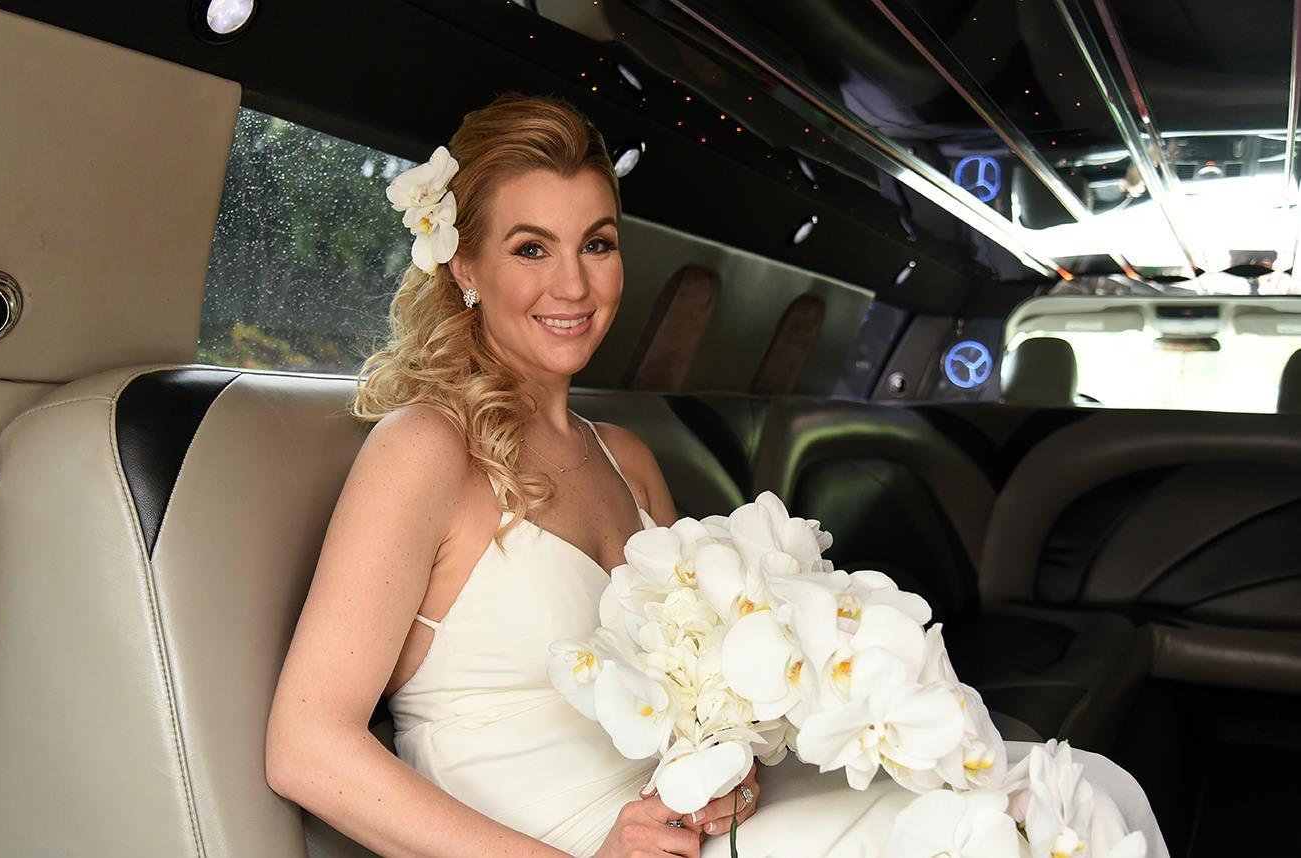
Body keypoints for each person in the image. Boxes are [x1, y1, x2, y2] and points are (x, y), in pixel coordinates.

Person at [265, 93, 1168, 858]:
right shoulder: (425, 449)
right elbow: (306, 748)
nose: (573, 286)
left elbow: (697, 707)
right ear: (465, 263)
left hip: (682, 830)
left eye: (597, 244)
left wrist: (730, 770)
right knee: (999, 831)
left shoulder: (625, 458)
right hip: (554, 841)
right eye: (531, 248)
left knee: (1080, 791)